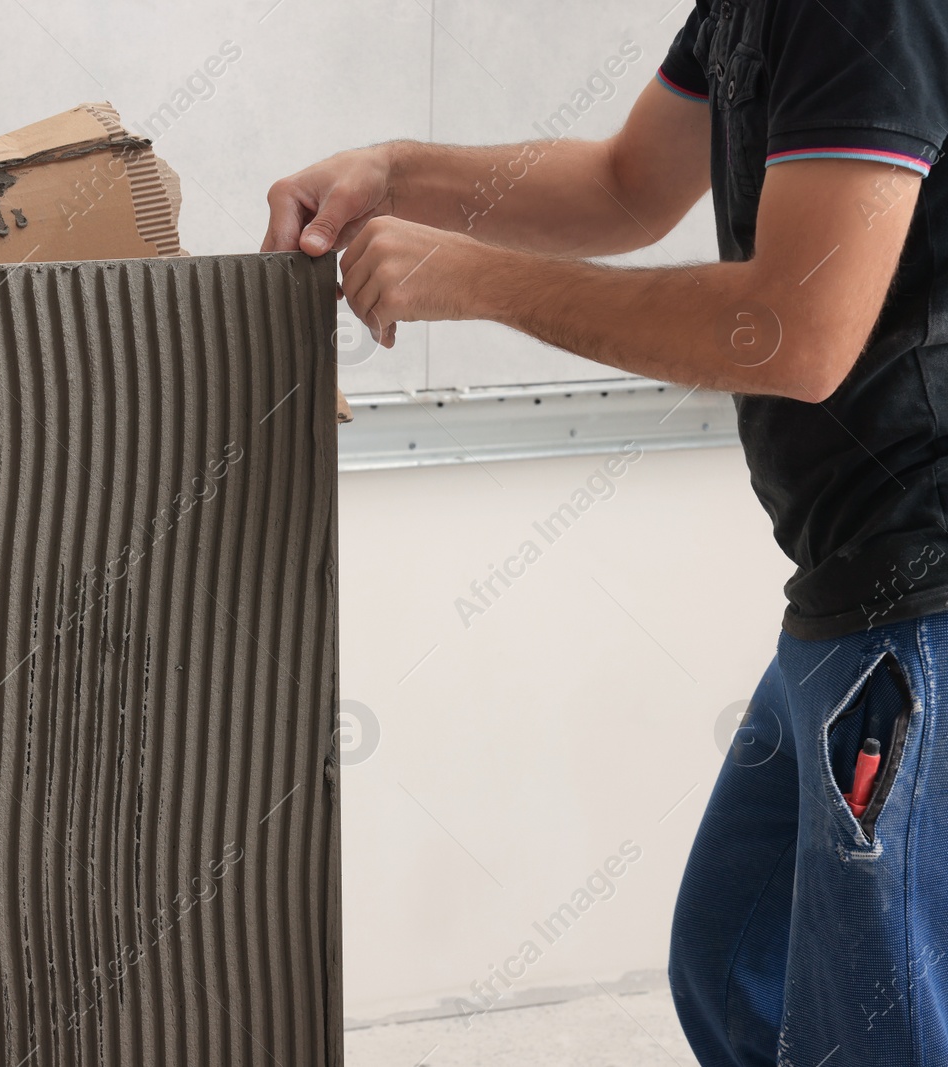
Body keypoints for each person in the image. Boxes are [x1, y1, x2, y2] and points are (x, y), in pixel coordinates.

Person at [264, 2, 948, 1063]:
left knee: (872, 1032)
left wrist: (475, 278)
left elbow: (798, 330)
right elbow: (628, 184)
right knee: (735, 964)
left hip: (922, 591)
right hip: (849, 579)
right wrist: (391, 172)